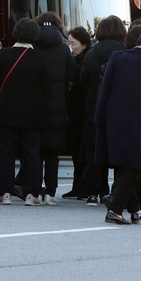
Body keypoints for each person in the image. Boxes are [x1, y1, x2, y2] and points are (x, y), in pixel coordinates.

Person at [96, 29, 141, 225]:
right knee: (134, 165)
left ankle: (135, 210)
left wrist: (100, 118)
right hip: (139, 122)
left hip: (113, 119)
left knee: (125, 163)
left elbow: (105, 87)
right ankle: (116, 210)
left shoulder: (117, 57)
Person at [0, 18, 50, 206]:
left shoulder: (5, 54)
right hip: (32, 114)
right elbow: (46, 87)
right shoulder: (41, 58)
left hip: (6, 111)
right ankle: (31, 194)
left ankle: (5, 193)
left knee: (6, 153)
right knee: (32, 153)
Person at [81, 15, 127, 206]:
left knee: (94, 151)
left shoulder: (91, 54)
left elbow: (83, 80)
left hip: (95, 105)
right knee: (118, 151)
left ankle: (94, 191)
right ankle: (117, 191)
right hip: (119, 107)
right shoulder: (126, 52)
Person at [32, 12, 76, 205]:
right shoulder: (64, 50)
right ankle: (50, 192)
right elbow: (72, 74)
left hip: (35, 104)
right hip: (57, 104)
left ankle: (32, 191)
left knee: (33, 151)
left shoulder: (32, 47)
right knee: (52, 153)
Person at [63, 26, 91, 200]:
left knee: (82, 149)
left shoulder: (85, 61)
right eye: (68, 43)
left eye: (73, 43)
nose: (70, 47)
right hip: (73, 111)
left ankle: (84, 186)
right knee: (75, 149)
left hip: (83, 111)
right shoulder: (71, 60)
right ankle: (76, 185)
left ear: (84, 45)